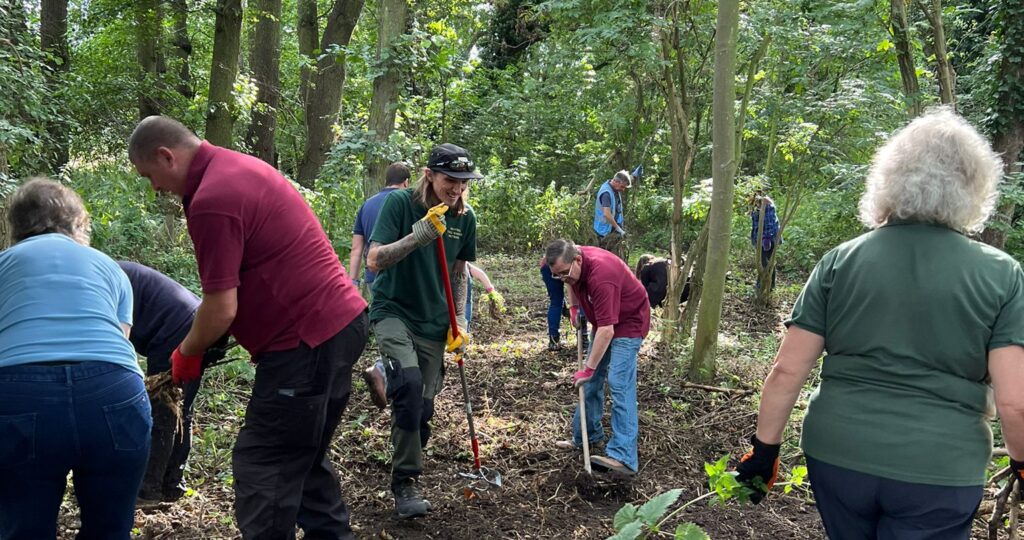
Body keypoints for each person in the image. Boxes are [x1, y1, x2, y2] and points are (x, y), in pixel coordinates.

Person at [735, 109, 1024, 538]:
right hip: (940, 467)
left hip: (838, 455)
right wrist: (1020, 463)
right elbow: (1014, 401)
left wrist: (764, 450)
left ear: (889, 177)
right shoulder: (1002, 274)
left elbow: (786, 370)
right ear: (975, 186)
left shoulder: (841, 260)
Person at [128, 116, 369, 539]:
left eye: (150, 176)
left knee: (264, 466)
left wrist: (186, 353)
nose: (155, 188)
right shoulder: (236, 166)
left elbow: (221, 308)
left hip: (304, 343)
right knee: (302, 459)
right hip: (338, 327)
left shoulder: (213, 199)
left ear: (167, 156)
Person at [0, 178, 149, 539]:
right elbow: (121, 338)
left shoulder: (4, 264)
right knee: (110, 528)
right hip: (114, 393)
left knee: (23, 526)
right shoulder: (109, 267)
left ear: (16, 225)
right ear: (78, 223)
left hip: (19, 395)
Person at [361, 143, 480, 518]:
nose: (457, 189)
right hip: (393, 310)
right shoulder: (399, 205)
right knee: (409, 388)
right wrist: (420, 235)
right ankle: (405, 482)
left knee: (422, 408)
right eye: (450, 180)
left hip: (434, 321)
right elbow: (374, 259)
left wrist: (459, 320)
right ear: (429, 175)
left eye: (464, 182)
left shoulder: (466, 218)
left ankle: (392, 393)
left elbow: (459, 273)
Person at [117, 260, 229, 505]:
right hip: (197, 325)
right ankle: (171, 485)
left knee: (164, 409)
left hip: (178, 329)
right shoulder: (110, 271)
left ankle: (149, 490)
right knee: (179, 410)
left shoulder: (101, 277)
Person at [546, 239, 650, 476]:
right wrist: (574, 307)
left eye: (563, 273)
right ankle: (587, 437)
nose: (562, 278)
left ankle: (624, 456)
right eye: (557, 275)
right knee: (590, 382)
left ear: (578, 260)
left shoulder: (602, 275)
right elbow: (570, 281)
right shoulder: (570, 266)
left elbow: (607, 330)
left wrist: (589, 368)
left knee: (617, 381)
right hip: (605, 320)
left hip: (629, 321)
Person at [348, 162, 411, 294]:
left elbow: (356, 249)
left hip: (373, 276)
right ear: (406, 182)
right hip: (402, 277)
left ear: (386, 181)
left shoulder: (366, 205)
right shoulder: (408, 203)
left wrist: (353, 281)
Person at [593, 170, 631, 260]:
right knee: (605, 258)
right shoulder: (606, 193)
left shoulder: (614, 187)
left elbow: (626, 178)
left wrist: (634, 175)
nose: (623, 189)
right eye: (622, 186)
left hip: (611, 229)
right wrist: (618, 229)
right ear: (616, 182)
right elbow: (607, 214)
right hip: (604, 232)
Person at [750, 192, 781, 289]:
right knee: (765, 262)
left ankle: (766, 285)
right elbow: (755, 225)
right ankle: (766, 285)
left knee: (766, 263)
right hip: (762, 239)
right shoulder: (757, 207)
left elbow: (770, 224)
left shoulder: (768, 206)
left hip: (768, 240)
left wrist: (766, 238)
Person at [465, 262, 504, 330]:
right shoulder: (463, 264)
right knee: (466, 304)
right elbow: (480, 274)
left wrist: (490, 290)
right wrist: (490, 289)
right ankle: (464, 330)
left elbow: (478, 273)